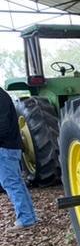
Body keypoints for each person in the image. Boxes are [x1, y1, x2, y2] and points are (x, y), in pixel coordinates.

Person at [0, 86, 37, 231]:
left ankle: (26, 219)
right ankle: (30, 217)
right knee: (17, 183)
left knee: (11, 183)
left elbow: (2, 127)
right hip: (10, 146)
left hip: (5, 148)